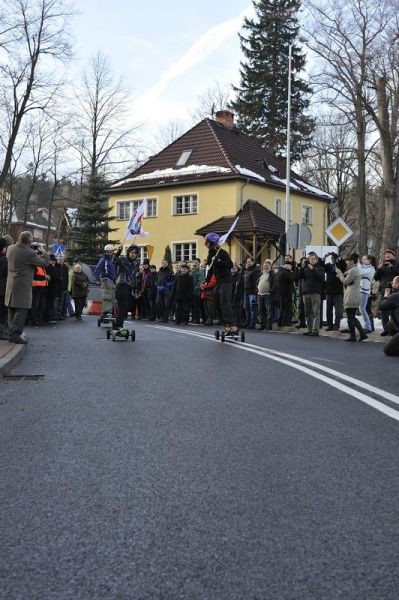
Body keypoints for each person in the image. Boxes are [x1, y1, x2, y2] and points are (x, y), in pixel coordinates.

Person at [5, 231, 49, 343]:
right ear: (29, 242)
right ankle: (16, 334)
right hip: (23, 286)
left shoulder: (10, 248)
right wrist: (44, 253)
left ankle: (11, 332)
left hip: (10, 284)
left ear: (19, 238)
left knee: (11, 308)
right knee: (21, 309)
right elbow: (44, 263)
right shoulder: (29, 253)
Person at [204, 232, 237, 334]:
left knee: (224, 302)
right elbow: (211, 269)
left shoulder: (222, 253)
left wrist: (218, 260)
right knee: (218, 302)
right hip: (218, 282)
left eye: (207, 242)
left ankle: (233, 325)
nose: (206, 244)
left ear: (212, 242)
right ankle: (226, 325)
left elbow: (230, 265)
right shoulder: (211, 254)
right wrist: (206, 280)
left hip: (226, 281)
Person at [336, 253, 368, 342]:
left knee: (350, 317)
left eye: (349, 260)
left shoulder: (353, 270)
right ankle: (362, 334)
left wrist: (340, 273)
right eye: (347, 260)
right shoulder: (352, 270)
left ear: (353, 261)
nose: (347, 262)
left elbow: (345, 281)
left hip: (352, 295)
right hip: (352, 294)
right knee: (352, 316)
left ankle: (353, 336)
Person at [297, 252, 325, 336]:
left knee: (316, 312)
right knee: (307, 312)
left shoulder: (320, 268)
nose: (311, 260)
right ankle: (309, 329)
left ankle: (315, 330)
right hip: (306, 293)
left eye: (313, 259)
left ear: (316, 260)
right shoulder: (306, 269)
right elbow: (299, 276)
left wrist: (313, 269)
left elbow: (321, 277)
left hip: (315, 292)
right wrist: (302, 267)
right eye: (310, 259)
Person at [374, 248, 399, 336]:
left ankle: (395, 329)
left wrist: (391, 267)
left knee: (394, 312)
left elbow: (397, 274)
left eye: (389, 253)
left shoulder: (397, 264)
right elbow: (376, 278)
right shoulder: (383, 265)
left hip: (395, 291)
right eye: (385, 254)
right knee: (383, 310)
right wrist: (379, 269)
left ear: (393, 255)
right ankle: (386, 329)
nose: (387, 255)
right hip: (384, 290)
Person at [114, 245, 140, 328]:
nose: (133, 254)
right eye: (132, 252)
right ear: (128, 252)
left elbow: (134, 276)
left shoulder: (136, 262)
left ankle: (118, 324)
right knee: (123, 304)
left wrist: (135, 289)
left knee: (125, 306)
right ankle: (118, 325)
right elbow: (114, 261)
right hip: (121, 284)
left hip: (129, 285)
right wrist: (118, 252)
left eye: (135, 253)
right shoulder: (123, 259)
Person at [323, 252, 345, 331]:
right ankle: (330, 325)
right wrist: (325, 256)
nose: (333, 259)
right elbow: (321, 264)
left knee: (338, 310)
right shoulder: (328, 266)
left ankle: (337, 325)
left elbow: (342, 263)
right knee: (329, 310)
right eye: (332, 258)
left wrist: (336, 256)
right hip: (329, 291)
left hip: (338, 292)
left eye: (334, 258)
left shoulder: (340, 266)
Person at [93, 244, 116, 317]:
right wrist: (97, 278)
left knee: (112, 297)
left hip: (112, 280)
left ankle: (109, 311)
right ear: (105, 252)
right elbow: (97, 269)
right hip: (106, 279)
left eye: (110, 252)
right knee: (107, 296)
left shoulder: (113, 259)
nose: (109, 253)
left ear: (112, 252)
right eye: (107, 252)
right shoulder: (103, 259)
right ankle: (106, 312)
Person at [380, 276, 399, 356]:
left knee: (387, 350)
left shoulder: (396, 295)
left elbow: (381, 306)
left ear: (398, 284)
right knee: (390, 324)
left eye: (393, 282)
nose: (391, 284)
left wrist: (386, 295)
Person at [358, 255, 376, 333]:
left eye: (364, 259)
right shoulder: (362, 267)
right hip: (359, 290)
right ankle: (351, 326)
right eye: (362, 259)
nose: (362, 260)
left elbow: (361, 273)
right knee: (358, 308)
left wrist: (359, 265)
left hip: (364, 291)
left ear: (369, 260)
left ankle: (368, 327)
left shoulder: (371, 269)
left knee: (362, 309)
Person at [242, 256, 261, 329]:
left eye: (249, 262)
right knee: (246, 307)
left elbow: (256, 282)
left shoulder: (256, 270)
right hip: (246, 291)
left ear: (253, 262)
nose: (248, 263)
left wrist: (255, 291)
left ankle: (252, 323)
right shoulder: (246, 271)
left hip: (252, 292)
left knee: (252, 308)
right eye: (247, 262)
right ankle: (248, 321)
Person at [257, 259, 275, 331]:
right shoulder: (261, 273)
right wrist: (257, 289)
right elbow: (258, 282)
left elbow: (275, 284)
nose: (265, 267)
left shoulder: (272, 274)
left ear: (270, 266)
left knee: (269, 311)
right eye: (264, 265)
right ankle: (262, 325)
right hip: (260, 294)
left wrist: (270, 292)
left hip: (268, 294)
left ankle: (268, 325)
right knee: (261, 311)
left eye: (267, 265)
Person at [190, 258, 204, 324]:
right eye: (194, 262)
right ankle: (193, 318)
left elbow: (200, 281)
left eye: (196, 262)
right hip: (190, 291)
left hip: (196, 292)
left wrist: (195, 288)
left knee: (196, 306)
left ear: (199, 263)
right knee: (192, 306)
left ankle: (197, 319)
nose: (194, 263)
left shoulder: (200, 272)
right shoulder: (191, 271)